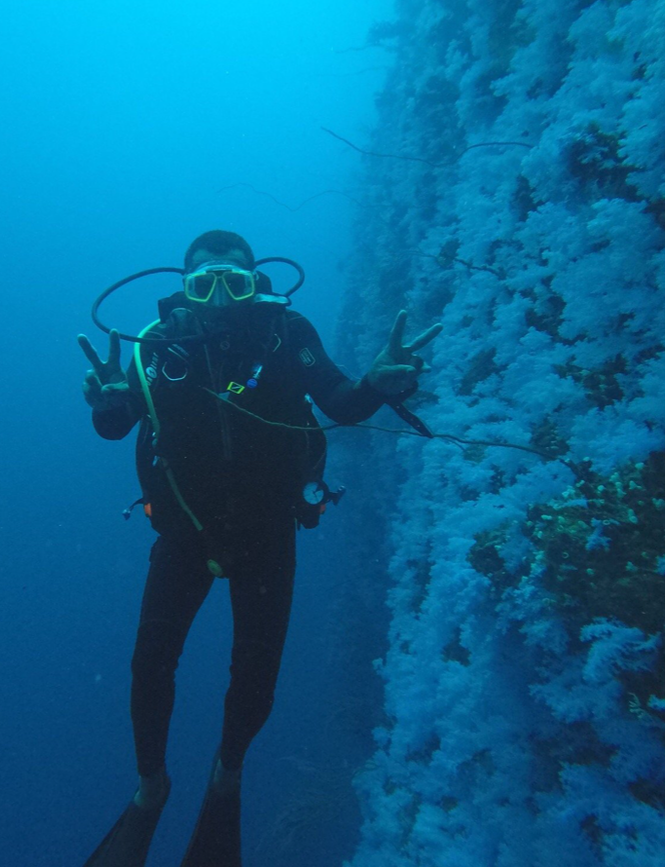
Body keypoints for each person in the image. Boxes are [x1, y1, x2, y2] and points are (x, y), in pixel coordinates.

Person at [77, 230, 441, 867]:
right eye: (204, 284)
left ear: (257, 285)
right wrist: (106, 401)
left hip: (267, 533)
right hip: (184, 535)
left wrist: (379, 384)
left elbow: (342, 402)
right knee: (149, 665)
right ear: (184, 290)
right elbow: (117, 424)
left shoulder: (287, 333)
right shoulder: (157, 345)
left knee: (255, 674)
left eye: (235, 282)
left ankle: (228, 770)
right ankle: (151, 785)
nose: (220, 298)